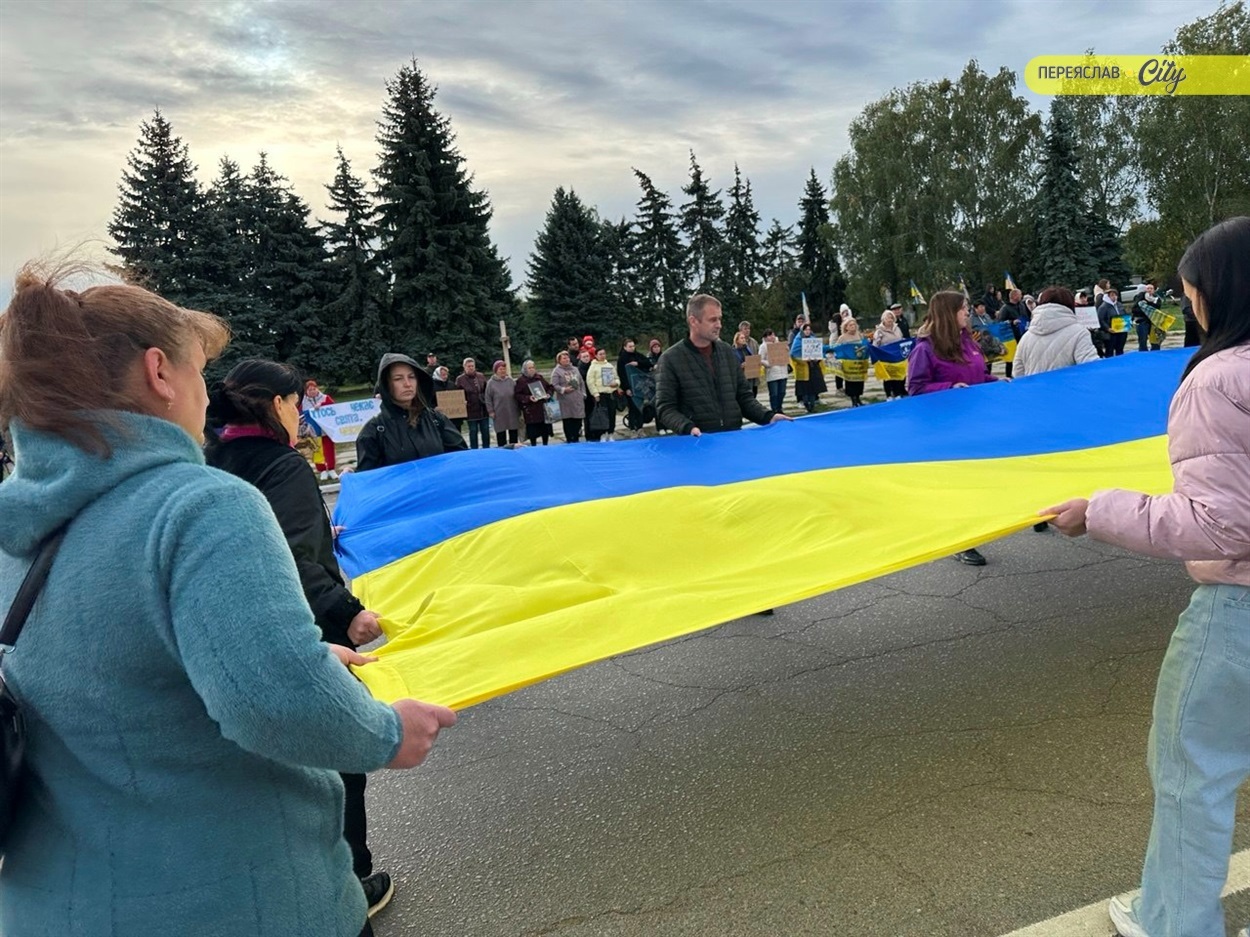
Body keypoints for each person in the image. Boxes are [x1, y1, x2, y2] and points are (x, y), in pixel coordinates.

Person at [0, 266, 456, 937]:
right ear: (160, 373)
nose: (206, 399)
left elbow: (112, 676)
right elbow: (274, 703)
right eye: (197, 371)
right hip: (231, 899)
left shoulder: (16, 527)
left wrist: (289, 648)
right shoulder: (199, 506)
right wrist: (388, 733)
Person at [1041, 216, 1250, 937]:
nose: (1189, 304)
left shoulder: (1217, 380)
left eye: (1193, 292)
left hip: (1239, 610)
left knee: (1193, 774)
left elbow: (1221, 521)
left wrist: (1097, 510)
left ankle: (1173, 922)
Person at [204, 359, 394, 917]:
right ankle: (350, 881)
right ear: (277, 405)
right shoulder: (281, 464)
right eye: (295, 404)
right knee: (338, 762)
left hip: (243, 634)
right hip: (308, 626)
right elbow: (290, 555)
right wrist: (348, 610)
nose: (301, 415)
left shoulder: (215, 459)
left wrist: (319, 524)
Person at [906, 290, 999, 566]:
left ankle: (974, 530)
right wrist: (949, 388)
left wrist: (997, 383)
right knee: (961, 485)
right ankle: (962, 540)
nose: (967, 313)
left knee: (979, 482)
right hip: (947, 429)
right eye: (963, 309)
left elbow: (977, 375)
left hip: (975, 423)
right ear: (949, 313)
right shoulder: (925, 348)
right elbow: (916, 388)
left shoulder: (966, 340)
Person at [655, 293, 791, 436]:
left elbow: (744, 397)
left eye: (720, 319)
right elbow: (665, 408)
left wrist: (768, 417)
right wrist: (687, 428)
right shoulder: (671, 359)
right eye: (713, 320)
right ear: (693, 321)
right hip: (696, 446)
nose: (719, 325)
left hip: (731, 443)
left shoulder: (727, 352)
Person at [355, 354, 467, 471]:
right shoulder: (373, 432)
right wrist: (352, 478)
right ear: (386, 384)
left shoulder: (437, 420)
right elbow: (368, 480)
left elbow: (462, 460)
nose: (407, 384)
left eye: (412, 377)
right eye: (398, 378)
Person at [1012, 286, 1099, 379]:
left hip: (1034, 392)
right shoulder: (1079, 333)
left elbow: (1017, 373)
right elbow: (1091, 368)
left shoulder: (1026, 338)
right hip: (1068, 391)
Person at [301, 377, 338, 480]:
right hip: (312, 430)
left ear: (317, 389)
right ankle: (322, 470)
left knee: (329, 448)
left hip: (326, 429)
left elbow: (334, 409)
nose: (312, 391)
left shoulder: (325, 398)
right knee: (316, 450)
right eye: (310, 390)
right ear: (306, 391)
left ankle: (331, 468)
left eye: (314, 389)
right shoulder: (303, 402)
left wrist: (322, 405)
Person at [514, 359, 554, 446]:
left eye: (533, 367)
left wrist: (548, 394)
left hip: (542, 409)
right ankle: (533, 446)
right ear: (525, 369)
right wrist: (528, 398)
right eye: (529, 368)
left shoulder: (539, 377)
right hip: (530, 411)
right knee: (533, 432)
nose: (532, 369)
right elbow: (517, 395)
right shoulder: (521, 381)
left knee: (545, 430)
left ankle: (545, 445)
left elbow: (550, 387)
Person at [789, 322, 827, 412]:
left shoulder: (813, 340)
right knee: (805, 388)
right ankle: (806, 404)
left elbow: (819, 351)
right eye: (806, 329)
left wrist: (817, 359)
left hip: (813, 367)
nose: (807, 331)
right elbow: (793, 354)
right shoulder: (798, 340)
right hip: (803, 368)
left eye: (809, 329)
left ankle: (812, 405)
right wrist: (803, 360)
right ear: (802, 330)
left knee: (813, 387)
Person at [616, 338, 653, 430]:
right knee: (632, 409)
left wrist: (638, 363)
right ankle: (633, 428)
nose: (632, 348)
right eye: (630, 346)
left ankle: (640, 428)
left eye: (633, 346)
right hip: (629, 387)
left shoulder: (638, 355)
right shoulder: (622, 359)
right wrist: (626, 388)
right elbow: (621, 374)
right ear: (625, 347)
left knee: (640, 407)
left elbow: (648, 363)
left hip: (639, 386)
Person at [454, 357, 491, 449]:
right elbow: (457, 394)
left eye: (472, 366)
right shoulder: (460, 379)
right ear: (464, 367)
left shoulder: (481, 376)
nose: (471, 368)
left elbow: (486, 391)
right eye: (468, 366)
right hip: (470, 410)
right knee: (473, 432)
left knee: (486, 431)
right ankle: (474, 451)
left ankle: (487, 450)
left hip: (482, 409)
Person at [550, 350, 585, 443]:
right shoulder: (557, 371)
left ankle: (577, 438)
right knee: (568, 422)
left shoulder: (575, 369)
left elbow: (581, 382)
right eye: (564, 358)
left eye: (567, 358)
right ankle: (570, 440)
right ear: (559, 360)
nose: (566, 359)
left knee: (578, 421)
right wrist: (563, 389)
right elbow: (554, 385)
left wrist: (583, 393)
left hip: (577, 399)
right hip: (565, 400)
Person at [586, 346, 619, 441]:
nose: (602, 356)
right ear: (596, 355)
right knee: (602, 415)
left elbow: (616, 378)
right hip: (600, 394)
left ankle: (611, 433)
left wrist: (616, 384)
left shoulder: (609, 365)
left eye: (604, 354)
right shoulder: (593, 367)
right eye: (600, 354)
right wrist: (595, 393)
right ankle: (602, 434)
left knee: (612, 414)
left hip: (611, 393)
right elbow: (590, 381)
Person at [484, 359, 520, 447]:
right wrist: (490, 411)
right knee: (501, 435)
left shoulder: (511, 381)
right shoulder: (491, 383)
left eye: (504, 369)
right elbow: (488, 398)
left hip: (512, 410)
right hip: (498, 412)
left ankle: (514, 451)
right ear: (496, 370)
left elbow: (517, 394)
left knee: (513, 433)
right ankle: (502, 452)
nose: (503, 371)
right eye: (500, 369)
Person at [873, 310, 907, 400]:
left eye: (891, 317)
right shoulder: (879, 331)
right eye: (888, 317)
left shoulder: (897, 328)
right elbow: (875, 345)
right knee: (888, 377)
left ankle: (898, 393)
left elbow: (901, 338)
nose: (890, 319)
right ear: (883, 319)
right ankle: (889, 394)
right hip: (886, 357)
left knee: (898, 375)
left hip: (897, 356)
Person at [833, 318, 868, 407]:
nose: (853, 327)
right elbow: (837, 348)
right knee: (851, 382)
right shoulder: (842, 337)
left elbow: (864, 346)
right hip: (849, 364)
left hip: (859, 362)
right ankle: (853, 399)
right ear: (846, 327)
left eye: (854, 325)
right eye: (850, 325)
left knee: (859, 381)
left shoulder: (859, 335)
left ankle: (858, 397)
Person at [760, 329, 789, 413]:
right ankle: (774, 409)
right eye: (769, 335)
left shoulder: (779, 344)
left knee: (782, 392)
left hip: (782, 372)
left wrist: (786, 351)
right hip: (772, 373)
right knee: (774, 394)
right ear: (765, 337)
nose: (772, 337)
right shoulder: (763, 346)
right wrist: (769, 363)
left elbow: (786, 356)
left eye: (773, 335)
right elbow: (760, 359)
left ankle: (780, 408)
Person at [1098, 288, 1129, 357]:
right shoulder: (1103, 307)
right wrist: (1107, 328)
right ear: (1108, 296)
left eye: (1115, 295)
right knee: (1109, 350)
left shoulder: (1119, 304)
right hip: (1111, 332)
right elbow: (1101, 319)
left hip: (1121, 330)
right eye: (1112, 295)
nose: (1114, 297)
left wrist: (1128, 323)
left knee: (1120, 349)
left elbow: (1124, 314)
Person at [1133, 283, 1164, 352]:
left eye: (1151, 288)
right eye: (1148, 288)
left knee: (1155, 340)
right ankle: (1143, 354)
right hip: (1142, 321)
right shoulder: (1140, 297)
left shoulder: (1157, 298)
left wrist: (1147, 305)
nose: (1149, 290)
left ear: (1154, 290)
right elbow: (1135, 309)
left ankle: (1155, 353)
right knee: (1143, 340)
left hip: (1154, 322)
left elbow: (1157, 308)